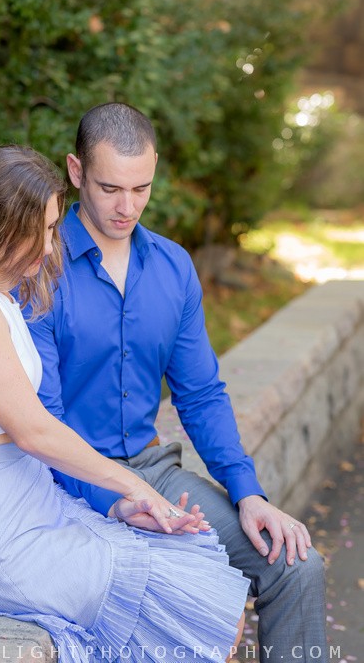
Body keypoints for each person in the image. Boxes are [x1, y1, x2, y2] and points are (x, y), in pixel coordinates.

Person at [0, 144, 250, 663]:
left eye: (53, 228)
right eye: (43, 230)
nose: (52, 247)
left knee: (210, 599)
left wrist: (123, 507)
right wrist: (140, 488)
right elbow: (35, 432)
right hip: (0, 545)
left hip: (40, 514)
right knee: (204, 614)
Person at [25, 104, 328, 663]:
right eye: (110, 187)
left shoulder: (173, 267)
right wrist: (115, 499)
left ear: (156, 167)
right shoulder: (41, 267)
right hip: (64, 482)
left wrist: (249, 493)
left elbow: (201, 393)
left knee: (294, 564)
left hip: (153, 474)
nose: (127, 207)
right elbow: (42, 424)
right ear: (74, 171)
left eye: (141, 187)